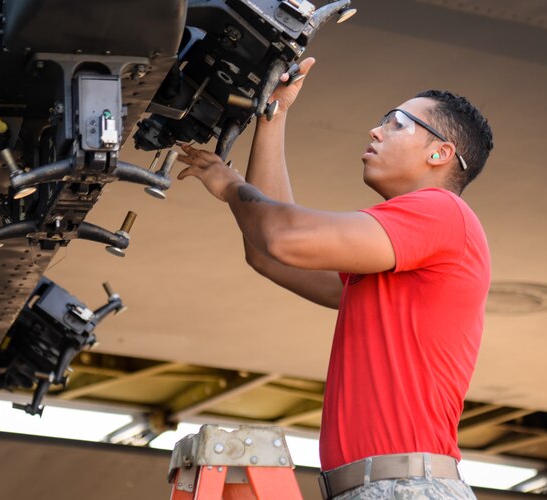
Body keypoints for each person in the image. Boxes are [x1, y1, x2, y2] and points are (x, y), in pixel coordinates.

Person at [176, 57, 494, 500]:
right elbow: (272, 255)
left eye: (397, 123)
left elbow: (283, 238)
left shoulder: (443, 212)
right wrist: (273, 115)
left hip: (404, 487)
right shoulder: (394, 261)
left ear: (440, 153)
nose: (376, 131)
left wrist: (231, 187)